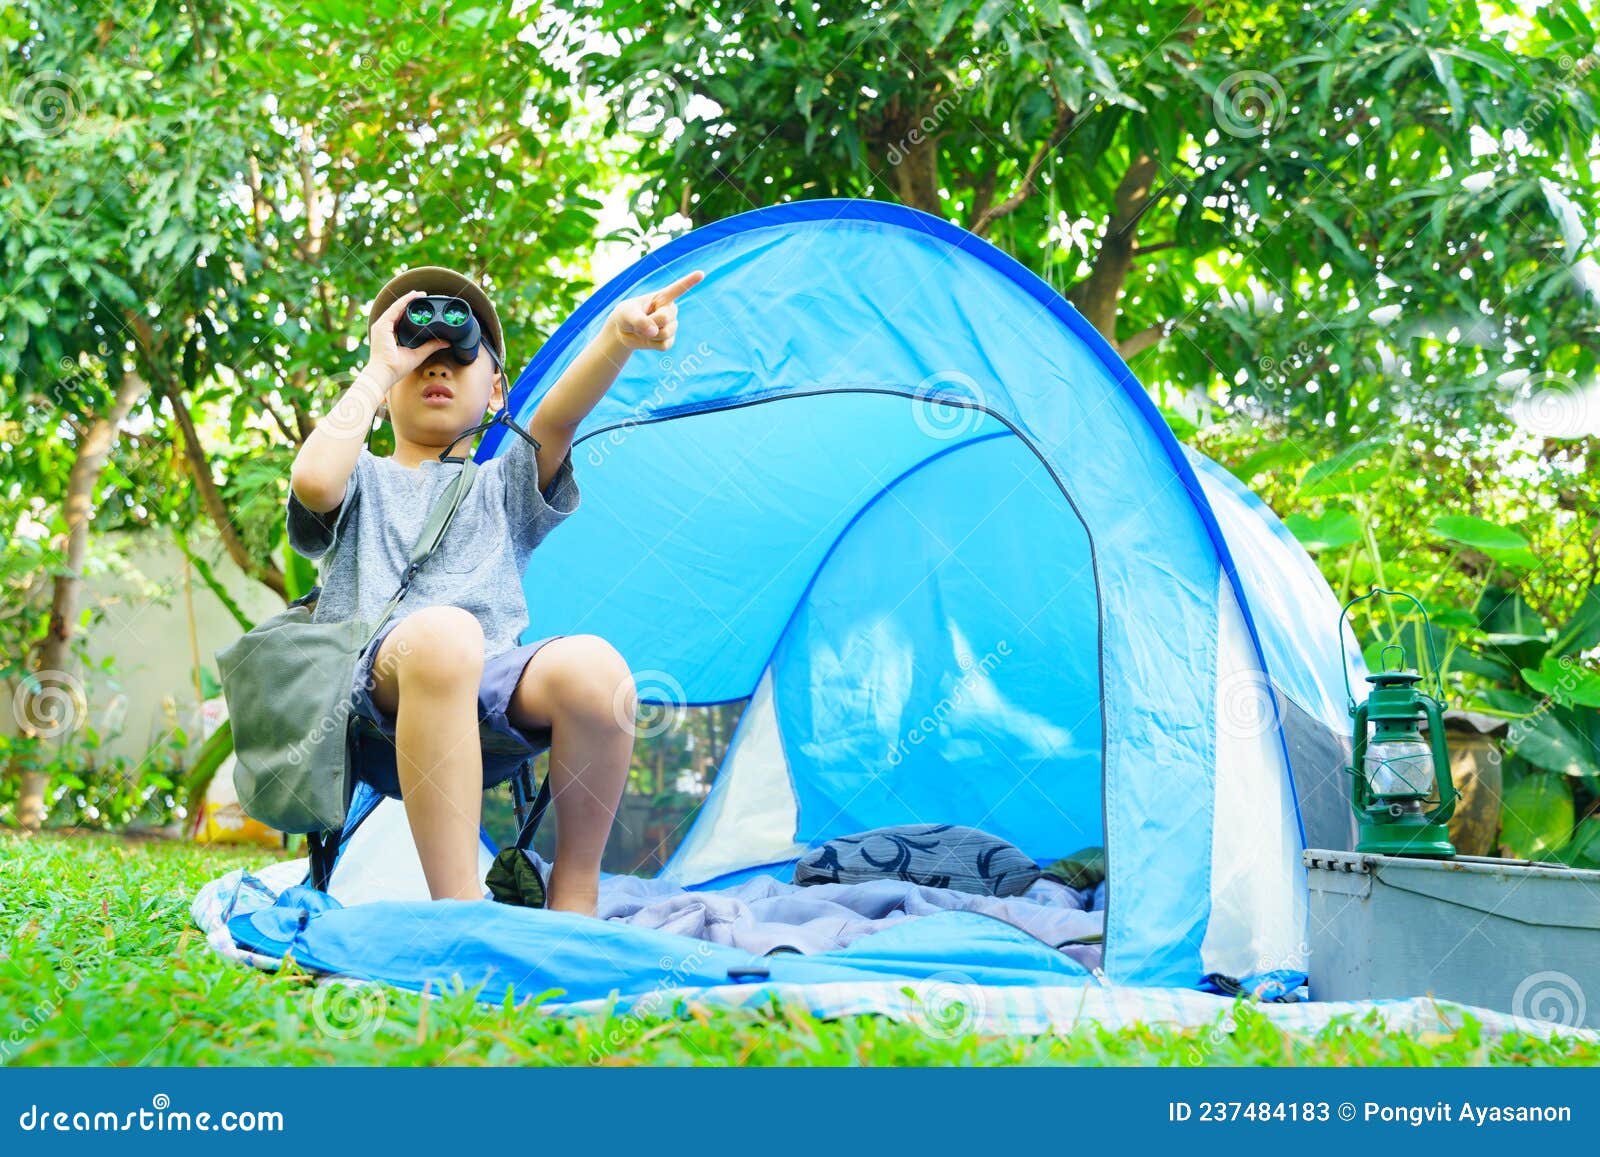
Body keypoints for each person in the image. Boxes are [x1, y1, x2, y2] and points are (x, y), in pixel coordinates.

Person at [284, 265, 704, 911]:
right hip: (373, 695)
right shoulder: (361, 477)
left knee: (599, 669)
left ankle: (574, 896)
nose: (437, 365)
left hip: (489, 694)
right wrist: (378, 368)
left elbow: (558, 418)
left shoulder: (502, 485)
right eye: (417, 356)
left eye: (460, 352)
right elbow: (313, 483)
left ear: (497, 393)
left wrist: (619, 337)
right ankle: (459, 909)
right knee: (446, 634)